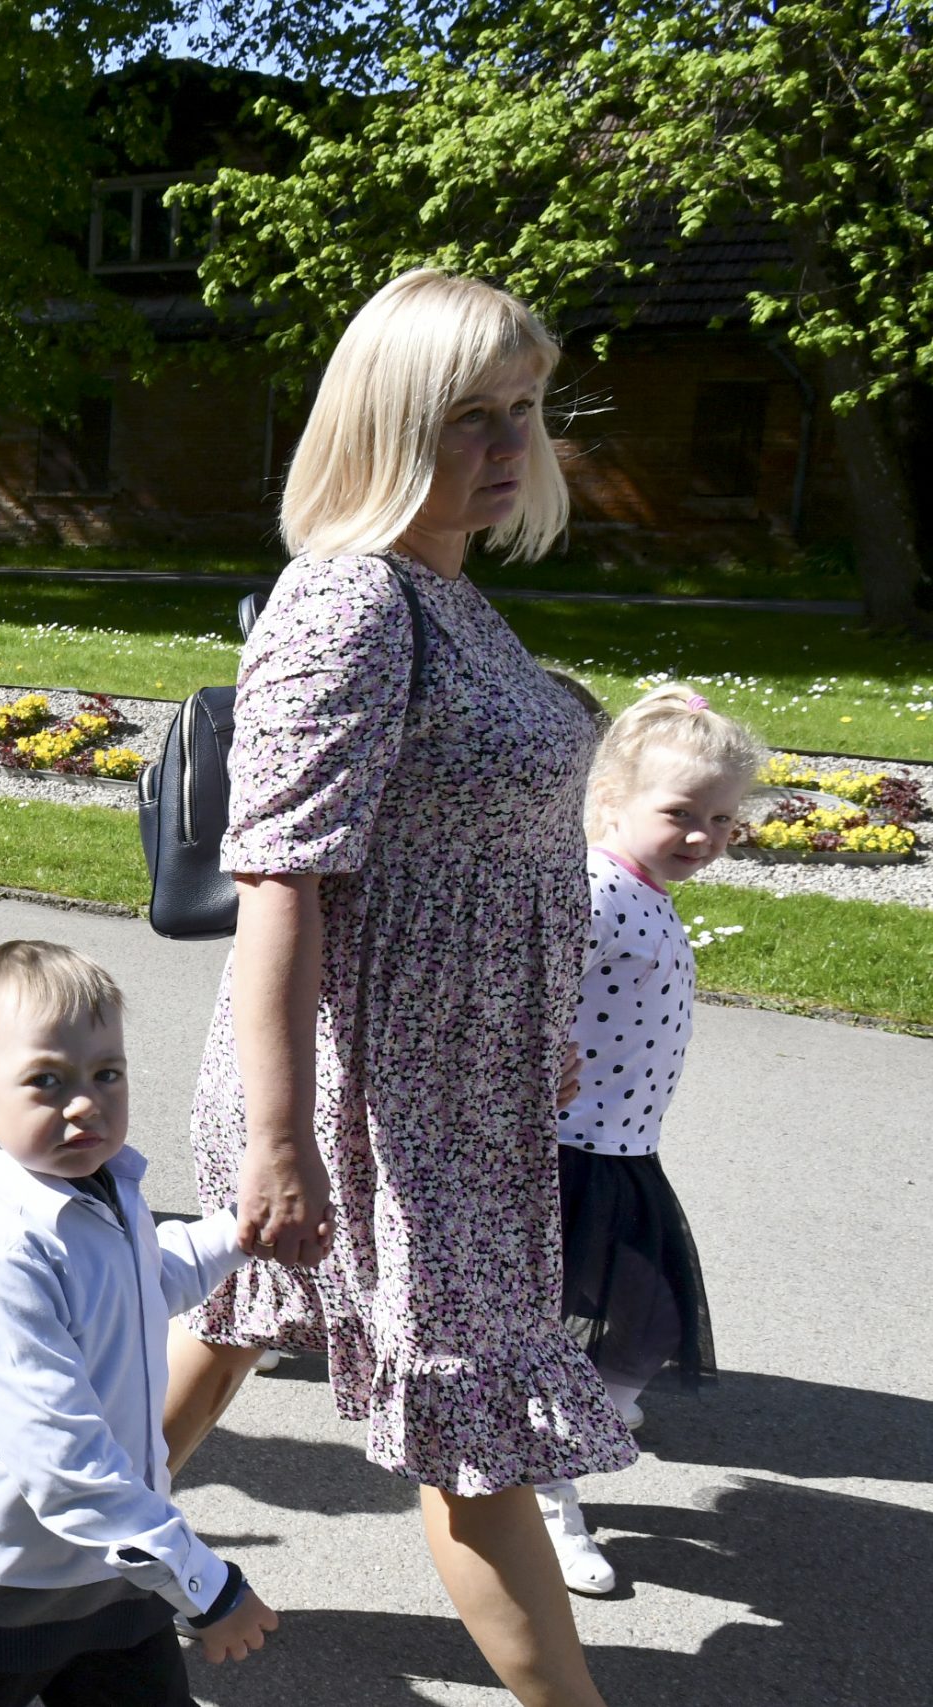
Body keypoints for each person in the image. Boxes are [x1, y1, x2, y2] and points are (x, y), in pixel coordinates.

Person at [160, 268, 628, 1707]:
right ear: (384, 420)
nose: (507, 443)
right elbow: (279, 880)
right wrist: (281, 1140)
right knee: (473, 1427)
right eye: (467, 414)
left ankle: (32, 1543)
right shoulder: (351, 601)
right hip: (378, 1089)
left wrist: (540, 1022)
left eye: (523, 409)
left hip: (467, 1074)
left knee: (237, 1322)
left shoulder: (452, 595)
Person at [0, 941, 275, 1707]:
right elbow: (67, 1465)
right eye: (47, 1080)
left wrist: (238, 1232)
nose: (85, 1103)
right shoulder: (4, 1249)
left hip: (115, 1571)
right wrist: (207, 1587)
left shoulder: (100, 1184)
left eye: (107, 1073)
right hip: (8, 1588)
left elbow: (143, 1280)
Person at [537, 684, 757, 1594]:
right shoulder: (596, 886)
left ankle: (585, 1417)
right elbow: (533, 975)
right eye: (681, 813)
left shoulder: (643, 888)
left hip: (622, 1147)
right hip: (568, 1151)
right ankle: (548, 1489)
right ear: (610, 800)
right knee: (566, 1331)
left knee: (651, 1314)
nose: (703, 834)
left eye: (722, 818)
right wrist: (539, 1052)